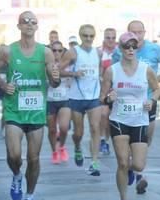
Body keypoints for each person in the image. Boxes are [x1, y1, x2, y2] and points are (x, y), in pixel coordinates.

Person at [0, 11, 60, 200]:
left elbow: (54, 82)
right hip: (14, 111)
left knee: (34, 158)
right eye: (25, 21)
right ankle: (17, 174)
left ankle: (30, 196)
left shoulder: (45, 52)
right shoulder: (8, 51)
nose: (29, 24)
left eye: (33, 22)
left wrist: (55, 77)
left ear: (37, 27)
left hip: (36, 112)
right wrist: (3, 84)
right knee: (15, 155)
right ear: (19, 26)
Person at [100, 32, 160, 200]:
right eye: (127, 46)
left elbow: (157, 89)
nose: (131, 50)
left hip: (140, 120)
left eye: (134, 46)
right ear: (121, 48)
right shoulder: (112, 70)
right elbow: (101, 97)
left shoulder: (146, 69)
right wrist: (108, 97)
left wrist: (152, 100)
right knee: (122, 162)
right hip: (119, 120)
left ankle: (131, 172)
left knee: (139, 165)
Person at [112, 20, 160, 194]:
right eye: (133, 32)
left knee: (145, 140)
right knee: (128, 141)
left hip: (147, 102)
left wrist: (151, 83)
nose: (137, 36)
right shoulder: (120, 51)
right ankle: (134, 171)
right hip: (125, 105)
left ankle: (135, 168)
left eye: (140, 32)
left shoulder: (155, 49)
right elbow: (113, 75)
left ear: (145, 33)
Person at [59, 24, 104, 176]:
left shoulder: (98, 52)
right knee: (78, 132)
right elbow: (58, 71)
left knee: (95, 128)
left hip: (93, 97)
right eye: (85, 36)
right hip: (77, 97)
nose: (88, 39)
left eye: (91, 36)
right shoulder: (73, 52)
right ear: (80, 36)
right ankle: (77, 146)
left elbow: (100, 72)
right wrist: (73, 74)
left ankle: (94, 162)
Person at [46, 40, 71, 164]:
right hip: (49, 100)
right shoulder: (45, 65)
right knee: (51, 130)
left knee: (64, 127)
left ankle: (61, 146)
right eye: (53, 50)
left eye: (59, 50)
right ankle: (54, 152)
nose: (56, 53)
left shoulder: (67, 65)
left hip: (64, 100)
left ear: (63, 52)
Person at [98, 27, 117, 156]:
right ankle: (102, 140)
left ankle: (108, 140)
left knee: (111, 118)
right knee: (104, 115)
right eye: (108, 37)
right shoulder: (99, 52)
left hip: (118, 90)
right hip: (104, 89)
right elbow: (98, 73)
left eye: (113, 38)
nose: (110, 40)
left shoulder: (120, 51)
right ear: (104, 38)